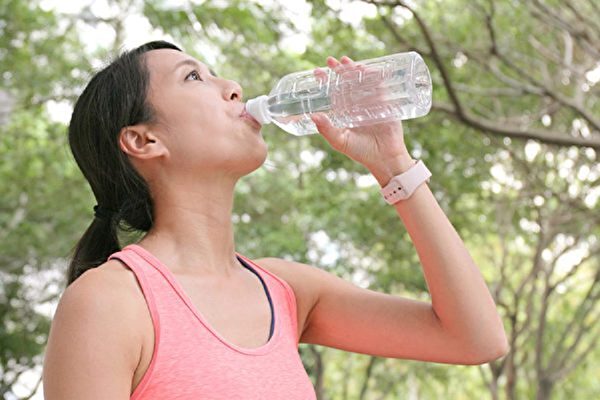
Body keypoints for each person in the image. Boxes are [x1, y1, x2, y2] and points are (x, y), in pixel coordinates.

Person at [42, 40, 509, 399]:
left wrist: (394, 165)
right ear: (143, 141)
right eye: (192, 78)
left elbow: (475, 338)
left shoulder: (284, 291)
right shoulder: (108, 303)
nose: (233, 88)